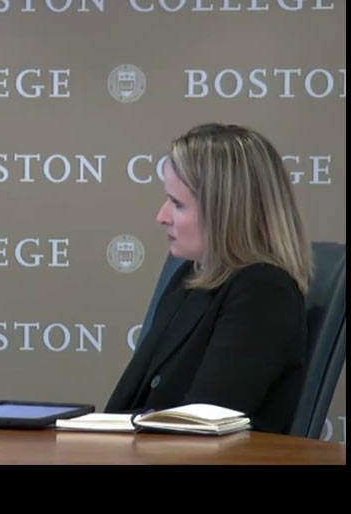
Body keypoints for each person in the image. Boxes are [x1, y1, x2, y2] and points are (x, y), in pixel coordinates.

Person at [106, 123, 313, 434]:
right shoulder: (189, 278)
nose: (162, 216)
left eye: (177, 204)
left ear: (225, 211)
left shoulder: (263, 292)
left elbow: (202, 424)